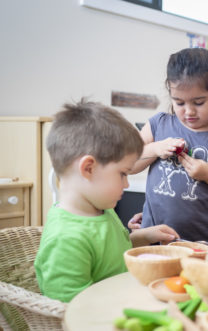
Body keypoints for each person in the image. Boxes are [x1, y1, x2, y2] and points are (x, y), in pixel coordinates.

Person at [34, 100, 180, 303]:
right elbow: (72, 311)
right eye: (122, 174)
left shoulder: (100, 208)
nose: (127, 183)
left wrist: (143, 236)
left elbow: (109, 253)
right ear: (89, 169)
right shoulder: (66, 239)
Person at [128, 47, 208, 245]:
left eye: (198, 102)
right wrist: (154, 149)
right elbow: (129, 164)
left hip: (202, 243)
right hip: (154, 239)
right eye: (179, 102)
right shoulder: (158, 124)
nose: (189, 111)